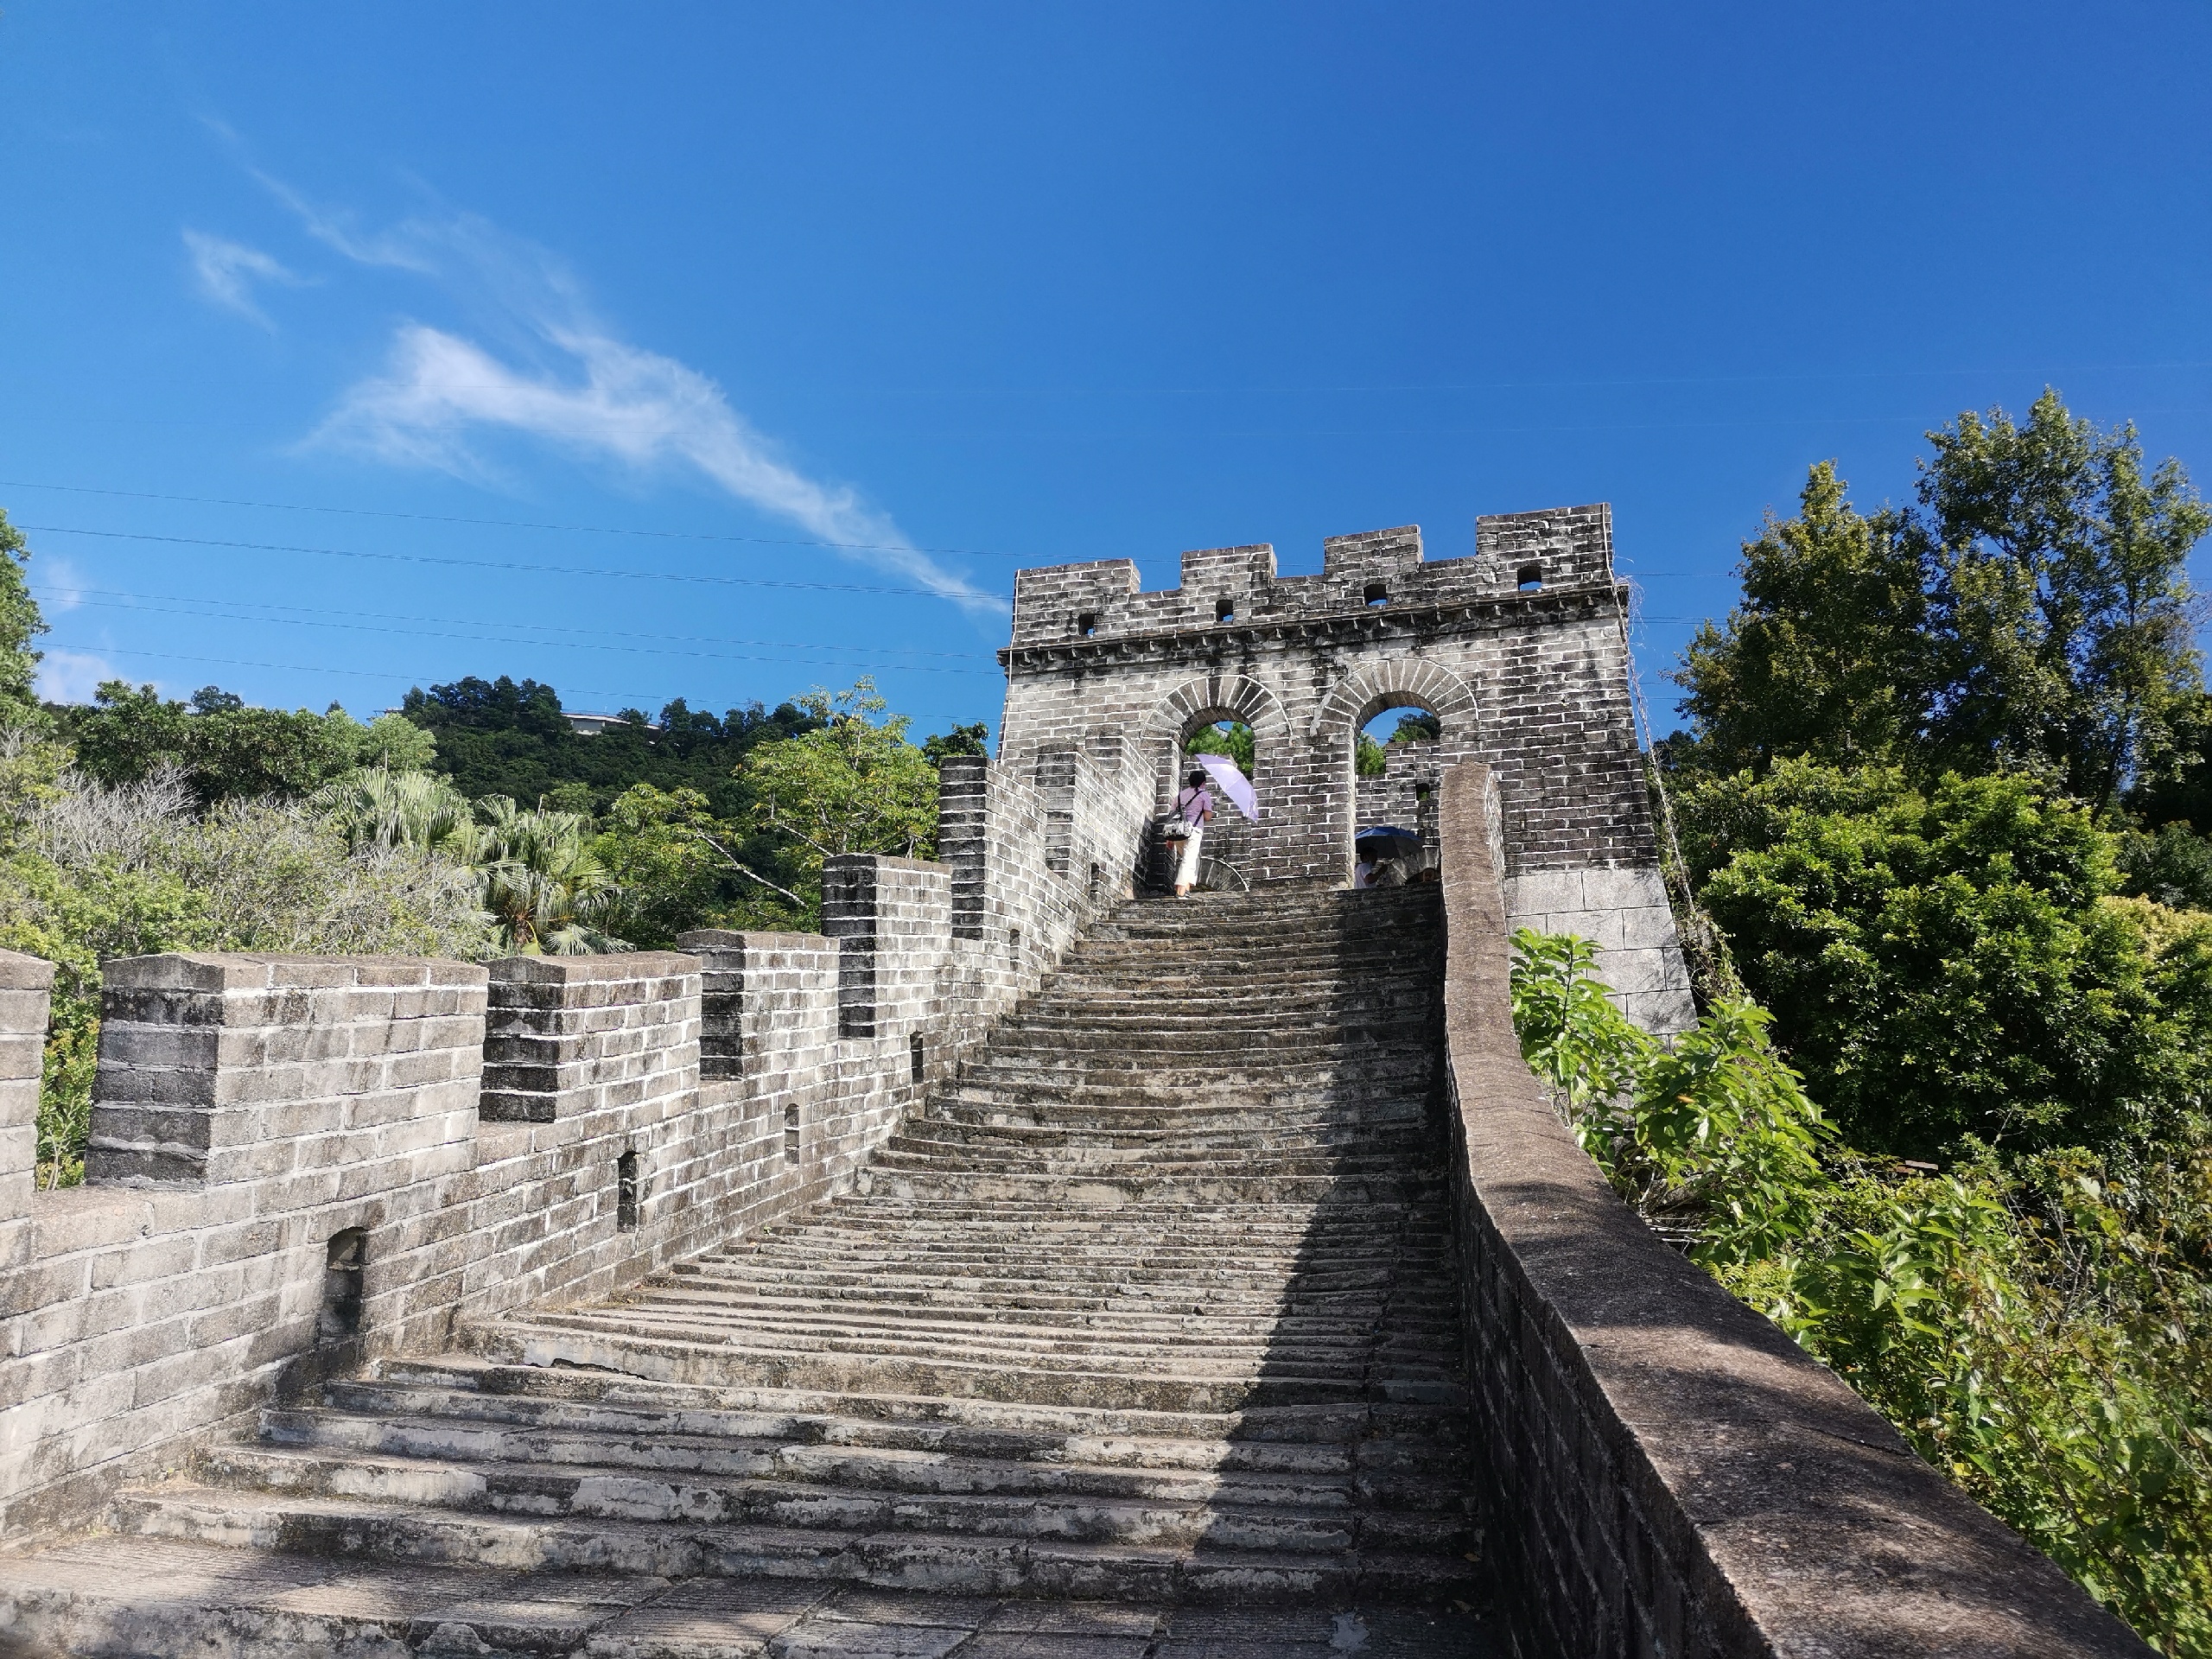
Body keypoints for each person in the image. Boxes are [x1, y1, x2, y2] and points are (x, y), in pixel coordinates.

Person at [1170, 767, 1213, 898]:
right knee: (1189, 860)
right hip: (1193, 831)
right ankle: (1181, 891)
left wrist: (1170, 839)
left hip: (1177, 832)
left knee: (1193, 859)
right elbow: (1207, 817)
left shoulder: (1180, 795)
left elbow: (1172, 815)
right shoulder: (1203, 794)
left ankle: (1187, 886)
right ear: (1202, 783)